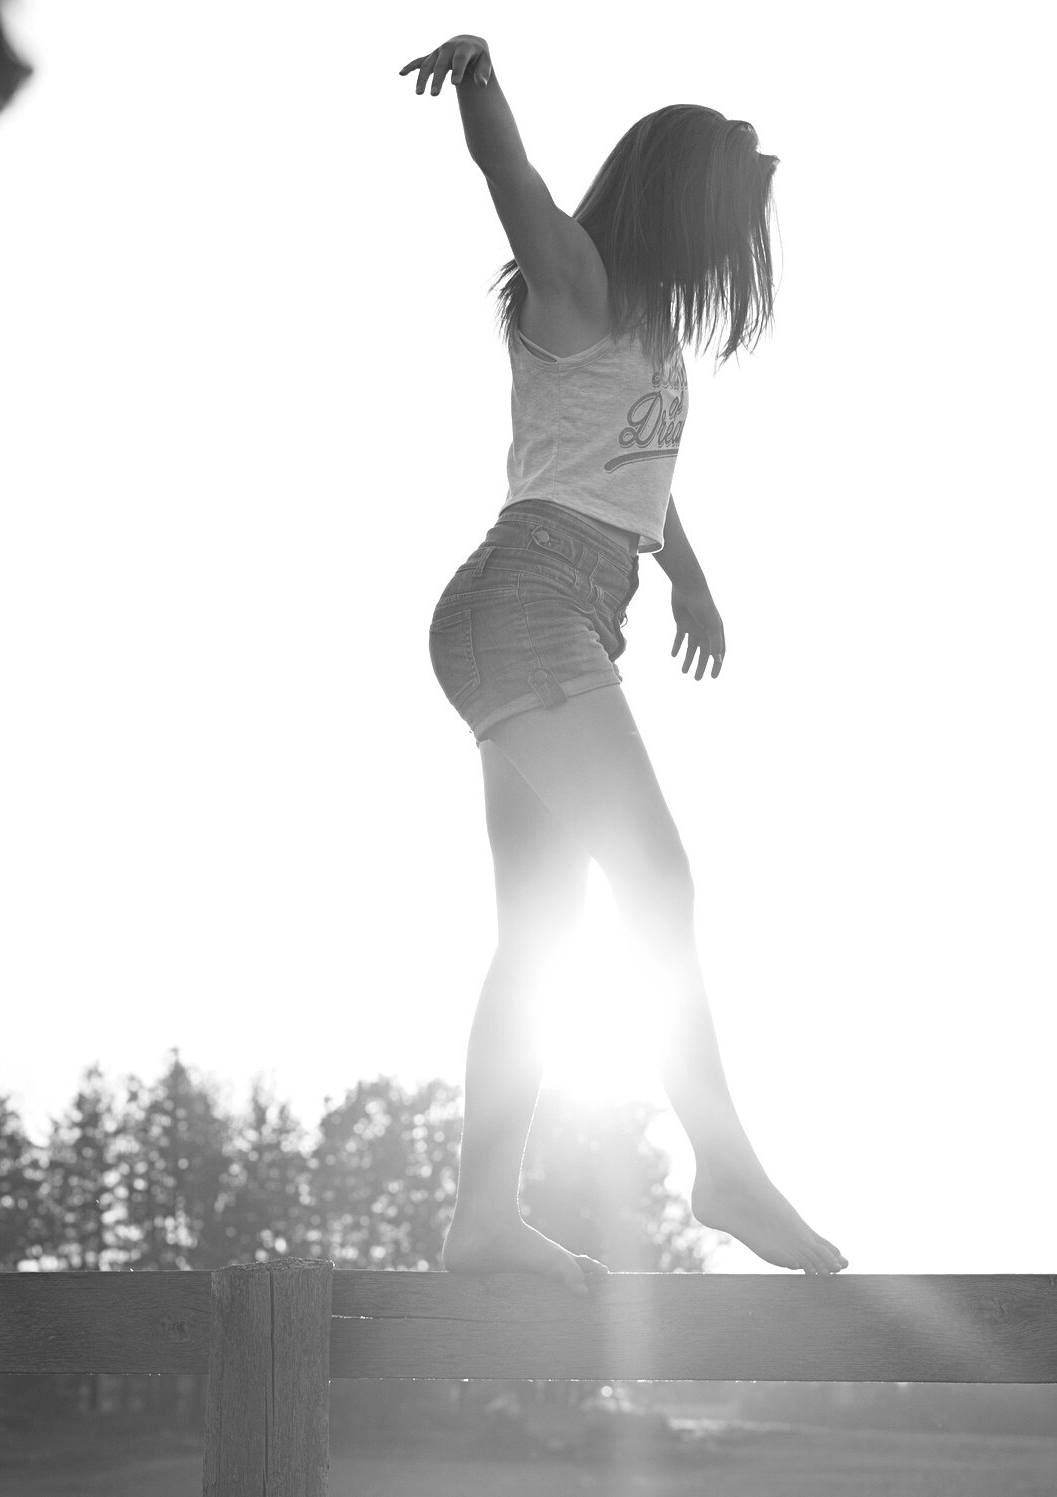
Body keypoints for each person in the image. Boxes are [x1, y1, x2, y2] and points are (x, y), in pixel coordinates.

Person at [399, 34, 846, 1294]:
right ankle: (727, 1163)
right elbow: (513, 182)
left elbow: (633, 472)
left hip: (559, 612)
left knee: (539, 933)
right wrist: (481, 80)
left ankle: (479, 1221)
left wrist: (685, 570)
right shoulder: (577, 279)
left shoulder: (645, 332)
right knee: (657, 874)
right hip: (523, 598)